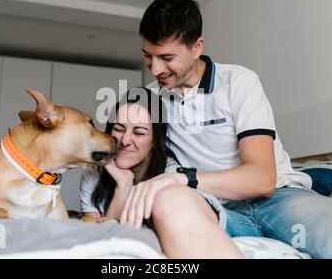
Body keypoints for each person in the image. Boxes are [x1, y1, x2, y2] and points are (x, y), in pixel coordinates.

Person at [118, 0, 332, 259]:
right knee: (168, 200)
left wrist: (183, 178)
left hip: (279, 199)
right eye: (148, 56)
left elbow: (262, 180)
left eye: (167, 57)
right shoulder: (150, 99)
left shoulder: (239, 82)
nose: (155, 68)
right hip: (212, 205)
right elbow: (126, 146)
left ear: (197, 47)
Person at [79, 87, 243, 258]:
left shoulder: (169, 175)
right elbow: (100, 239)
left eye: (139, 132)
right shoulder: (93, 173)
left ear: (155, 141)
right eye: (119, 129)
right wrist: (123, 185)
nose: (125, 140)